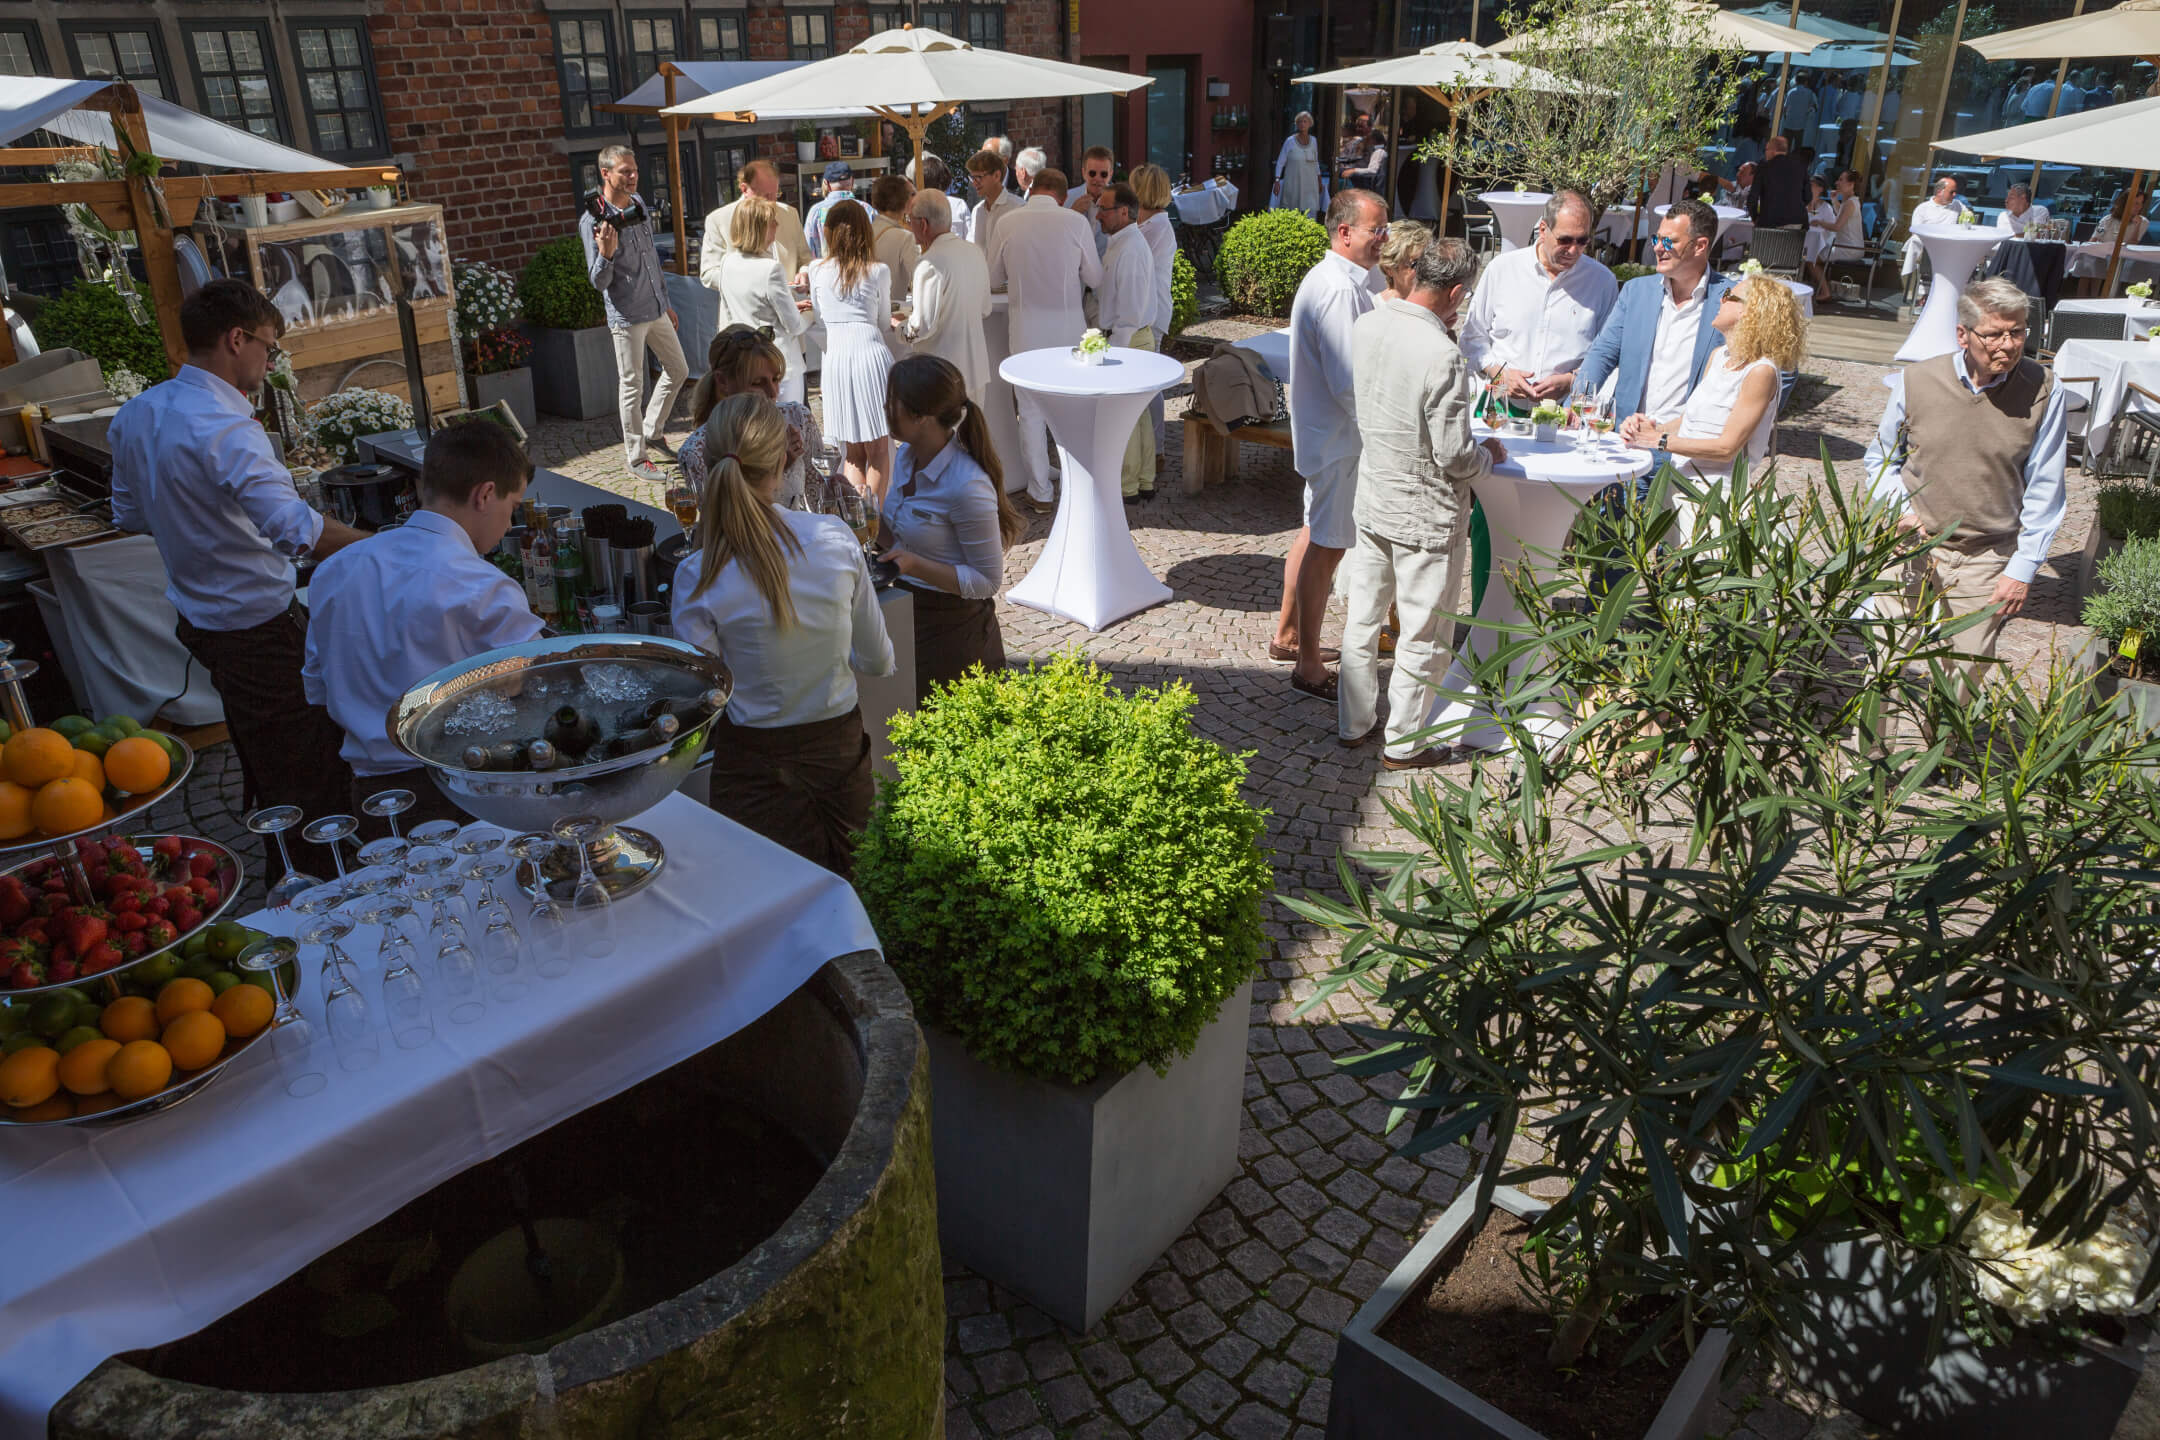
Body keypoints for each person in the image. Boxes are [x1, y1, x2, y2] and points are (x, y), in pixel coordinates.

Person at [108, 279, 362, 877]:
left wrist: (190, 524)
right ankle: (314, 880)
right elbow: (293, 527)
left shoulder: (137, 414)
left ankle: (289, 850)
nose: (270, 362)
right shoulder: (226, 426)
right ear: (236, 338)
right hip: (257, 630)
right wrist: (387, 548)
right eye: (270, 348)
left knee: (265, 747)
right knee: (306, 764)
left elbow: (127, 515)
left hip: (200, 622)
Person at [671, 393, 893, 875]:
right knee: (861, 893)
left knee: (762, 900)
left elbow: (707, 694)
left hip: (750, 766)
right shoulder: (834, 539)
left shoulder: (697, 575)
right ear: (782, 463)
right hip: (838, 756)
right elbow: (877, 662)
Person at [302, 421, 541, 827]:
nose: (508, 523)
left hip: (372, 796)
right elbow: (532, 681)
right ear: (485, 495)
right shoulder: (483, 585)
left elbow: (317, 688)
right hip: (464, 789)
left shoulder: (334, 570)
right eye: (512, 505)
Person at [1338, 239, 1505, 768]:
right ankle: (1405, 743)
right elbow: (1454, 454)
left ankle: (1353, 722)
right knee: (1423, 634)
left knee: (1362, 621)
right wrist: (1487, 461)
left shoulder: (1369, 323)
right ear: (1454, 291)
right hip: (1425, 514)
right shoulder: (1441, 353)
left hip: (1374, 497)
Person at [1861, 276, 2066, 702]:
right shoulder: (1915, 381)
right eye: (1994, 334)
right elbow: (1881, 460)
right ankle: (1872, 756)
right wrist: (1899, 510)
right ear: (1963, 334)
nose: (2008, 345)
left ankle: (1940, 761)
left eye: (2018, 332)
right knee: (1886, 657)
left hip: (1988, 552)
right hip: (1910, 544)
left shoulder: (2044, 389)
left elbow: (2046, 485)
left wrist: (2022, 568)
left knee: (1966, 672)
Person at [1274, 188, 1389, 700]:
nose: (1384, 239)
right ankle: (1307, 664)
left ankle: (1287, 634)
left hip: (1328, 438)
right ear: (1345, 233)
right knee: (1328, 544)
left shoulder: (1344, 280)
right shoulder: (1339, 290)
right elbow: (1351, 383)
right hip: (1342, 439)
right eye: (1377, 230)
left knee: (1313, 532)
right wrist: (1389, 437)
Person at [877, 355, 1026, 704]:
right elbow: (900, 540)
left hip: (955, 635)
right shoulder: (904, 456)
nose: (884, 408)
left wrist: (913, 565)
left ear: (921, 416)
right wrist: (855, 514)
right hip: (905, 614)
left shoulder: (966, 485)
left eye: (891, 401)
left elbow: (987, 581)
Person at [1620, 274, 1805, 543]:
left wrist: (1659, 441)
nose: (1721, 298)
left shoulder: (1761, 371)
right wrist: (1651, 428)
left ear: (1748, 311)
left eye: (1729, 295)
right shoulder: (1719, 357)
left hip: (1716, 499)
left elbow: (1726, 447)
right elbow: (1691, 420)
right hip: (1678, 488)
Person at [1574, 200, 1736, 481]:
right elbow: (1602, 354)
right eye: (1656, 238)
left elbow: (1771, 370)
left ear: (1700, 246)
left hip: (1685, 452)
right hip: (1627, 443)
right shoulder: (1637, 292)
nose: (1658, 248)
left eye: (1669, 241)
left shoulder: (1730, 300)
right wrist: (1576, 404)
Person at [988, 166, 1101, 511]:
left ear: (1033, 189)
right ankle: (1077, 485)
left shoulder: (1007, 223)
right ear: (1063, 196)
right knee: (1071, 411)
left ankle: (1040, 493)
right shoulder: (1075, 222)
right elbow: (1095, 278)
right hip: (1068, 329)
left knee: (1031, 413)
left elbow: (993, 276)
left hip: (1025, 329)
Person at [581, 146, 689, 483]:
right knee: (632, 386)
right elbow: (598, 282)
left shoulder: (639, 204)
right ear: (606, 174)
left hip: (655, 308)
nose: (632, 176)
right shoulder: (593, 221)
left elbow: (651, 260)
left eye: (634, 170)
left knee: (679, 369)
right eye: (625, 171)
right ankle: (636, 456)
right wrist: (607, 254)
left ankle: (653, 430)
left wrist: (665, 301)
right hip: (626, 314)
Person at [1460, 190, 1618, 407]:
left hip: (1566, 410)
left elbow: (1608, 352)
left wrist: (1572, 380)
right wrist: (1499, 373)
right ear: (1543, 230)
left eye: (1582, 241)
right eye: (1565, 240)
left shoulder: (1602, 281)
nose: (1573, 250)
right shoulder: (1503, 269)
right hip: (1500, 404)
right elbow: (1471, 338)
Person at [810, 199, 899, 502]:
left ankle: (857, 528)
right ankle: (874, 523)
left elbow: (821, 317)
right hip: (870, 355)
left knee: (851, 454)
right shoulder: (878, 271)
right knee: (879, 451)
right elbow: (884, 322)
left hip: (836, 360)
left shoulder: (816, 271)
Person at [678, 326, 824, 509]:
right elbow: (723, 523)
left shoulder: (797, 418)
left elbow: (819, 498)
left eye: (776, 379)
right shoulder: (697, 450)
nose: (773, 392)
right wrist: (781, 465)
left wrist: (835, 488)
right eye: (757, 383)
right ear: (723, 381)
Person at [1093, 182, 1160, 501]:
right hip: (1130, 337)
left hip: (1129, 339)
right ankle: (1143, 481)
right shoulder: (1122, 242)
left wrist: (1114, 350)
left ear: (1123, 212)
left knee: (1125, 416)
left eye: (1103, 210)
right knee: (1138, 415)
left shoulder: (1130, 247)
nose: (1098, 216)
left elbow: (1130, 309)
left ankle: (1128, 485)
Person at [715, 195, 813, 405]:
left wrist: (790, 306)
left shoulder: (727, 262)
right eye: (772, 222)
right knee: (788, 429)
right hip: (778, 366)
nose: (777, 226)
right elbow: (795, 326)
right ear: (758, 229)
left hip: (746, 366)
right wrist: (813, 313)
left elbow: (748, 306)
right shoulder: (770, 269)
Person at [903, 189, 993, 404]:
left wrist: (899, 327)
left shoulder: (928, 263)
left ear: (923, 224)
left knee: (944, 436)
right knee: (972, 435)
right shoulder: (974, 252)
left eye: (909, 219)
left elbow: (923, 326)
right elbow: (985, 308)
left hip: (942, 373)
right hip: (975, 367)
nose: (907, 225)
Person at [1133, 163, 1181, 485]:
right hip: (1148, 310)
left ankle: (1158, 449)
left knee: (1150, 387)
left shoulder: (1157, 229)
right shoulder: (1148, 224)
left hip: (1152, 313)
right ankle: (1151, 448)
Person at [700, 158, 810, 290]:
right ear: (744, 189)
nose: (772, 202)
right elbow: (709, 274)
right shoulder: (718, 220)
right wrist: (751, 281)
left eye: (776, 194)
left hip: (789, 305)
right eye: (766, 195)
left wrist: (804, 273)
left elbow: (806, 259)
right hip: (744, 308)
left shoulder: (790, 214)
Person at [2068, 188, 2150, 293]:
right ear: (2126, 203)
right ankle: (2082, 297)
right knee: (2091, 262)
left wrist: (2137, 225)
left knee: (2096, 264)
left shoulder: (2143, 222)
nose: (2139, 207)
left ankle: (2092, 297)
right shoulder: (2108, 219)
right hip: (2101, 255)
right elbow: (2093, 239)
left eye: (2141, 203)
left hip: (2121, 257)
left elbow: (2133, 243)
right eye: (2135, 203)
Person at [1902, 176, 1972, 296]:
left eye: (1955, 192)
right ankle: (1926, 294)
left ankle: (1949, 293)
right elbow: (1915, 232)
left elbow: (1969, 219)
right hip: (1927, 251)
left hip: (1950, 249)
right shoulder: (1923, 209)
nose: (1955, 195)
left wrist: (1967, 220)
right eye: (1952, 192)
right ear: (1940, 192)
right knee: (1930, 257)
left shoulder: (1957, 205)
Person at [1805, 169, 1865, 295]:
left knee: (1811, 259)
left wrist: (1819, 222)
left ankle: (1825, 292)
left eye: (1841, 180)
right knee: (1813, 255)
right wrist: (1834, 200)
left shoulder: (1850, 203)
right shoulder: (1849, 201)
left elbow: (1837, 226)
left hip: (1848, 249)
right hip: (1848, 247)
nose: (1837, 183)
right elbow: (1842, 217)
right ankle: (1820, 289)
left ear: (1851, 184)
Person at [870, 173, 921, 302]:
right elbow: (919, 278)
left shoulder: (864, 231)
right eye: (911, 194)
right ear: (904, 201)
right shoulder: (905, 237)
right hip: (892, 312)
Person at [967, 148, 1024, 261]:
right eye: (972, 177)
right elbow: (971, 249)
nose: (974, 183)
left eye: (979, 177)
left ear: (997, 176)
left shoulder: (1018, 208)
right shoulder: (977, 211)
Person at [1747, 135, 1808, 229]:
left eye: (1766, 150)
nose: (1765, 153)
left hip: (1769, 221)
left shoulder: (1764, 167)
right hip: (1796, 221)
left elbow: (1753, 197)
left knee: (1767, 244)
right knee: (1791, 244)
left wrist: (1755, 218)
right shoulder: (1800, 167)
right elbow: (1808, 196)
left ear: (1773, 150)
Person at [1273, 110, 1326, 219]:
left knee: (1310, 210)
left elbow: (1315, 162)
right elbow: (1280, 161)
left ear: (1310, 124)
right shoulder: (1290, 141)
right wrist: (1277, 180)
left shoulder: (1314, 141)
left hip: (1310, 182)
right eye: (1300, 122)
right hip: (1294, 182)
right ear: (1297, 124)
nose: (1302, 124)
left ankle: (1311, 233)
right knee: (1292, 211)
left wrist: (1319, 180)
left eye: (1305, 121)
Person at [1067, 145, 1116, 256]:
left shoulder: (1121, 202)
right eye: (1092, 173)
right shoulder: (1067, 198)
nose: (1097, 179)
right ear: (1084, 172)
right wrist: (1072, 214)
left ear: (1110, 174)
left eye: (1103, 174)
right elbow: (1058, 237)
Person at [804, 161, 858, 258]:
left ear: (826, 183)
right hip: (862, 271)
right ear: (852, 181)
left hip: (825, 270)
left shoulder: (816, 211)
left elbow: (808, 249)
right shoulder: (867, 209)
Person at [1377, 221, 1433, 301]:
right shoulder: (1373, 308)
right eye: (1415, 264)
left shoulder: (1434, 306)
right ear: (1389, 269)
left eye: (1428, 260)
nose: (1426, 269)